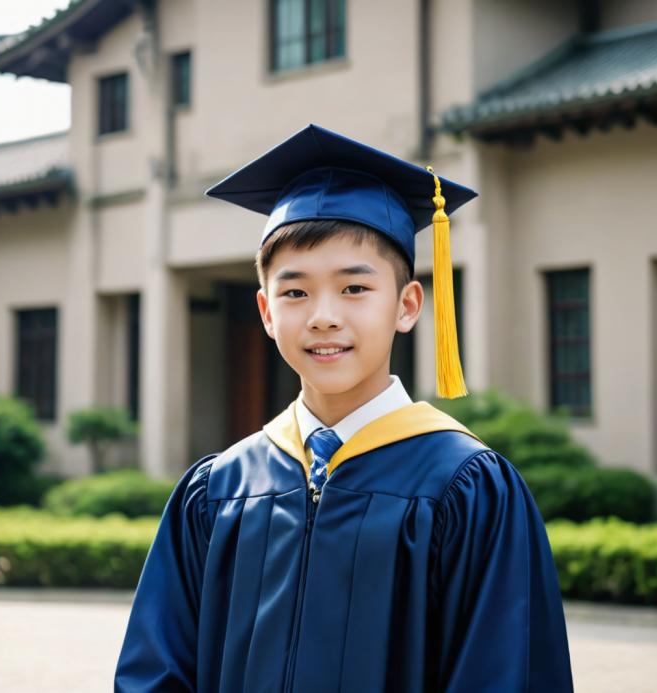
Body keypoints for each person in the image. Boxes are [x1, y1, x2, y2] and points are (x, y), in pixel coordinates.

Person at [113, 124, 574, 692]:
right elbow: (155, 673)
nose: (323, 316)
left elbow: (504, 674)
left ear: (407, 306)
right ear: (265, 310)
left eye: (354, 289)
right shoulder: (219, 490)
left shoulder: (465, 487)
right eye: (295, 291)